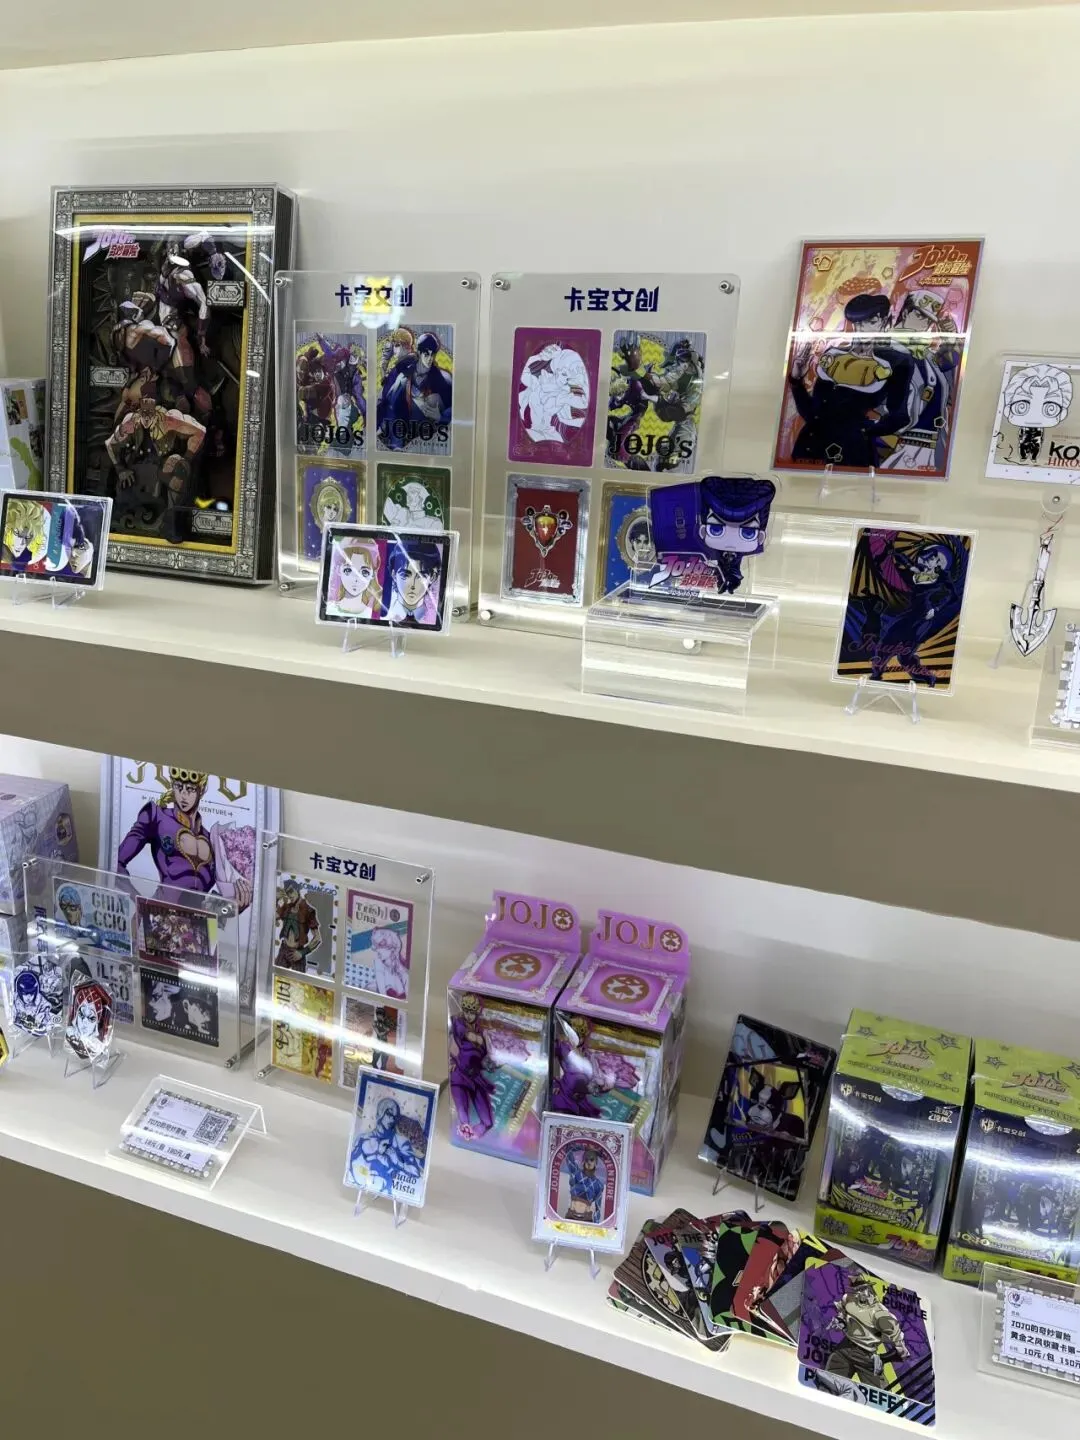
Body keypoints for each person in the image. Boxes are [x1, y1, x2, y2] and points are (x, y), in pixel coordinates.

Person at [117, 767, 253, 909]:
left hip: (198, 921)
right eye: (178, 787)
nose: (183, 795)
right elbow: (116, 863)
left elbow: (212, 907)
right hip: (159, 914)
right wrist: (140, 903)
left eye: (190, 789)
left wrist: (235, 904)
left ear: (201, 790)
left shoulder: (214, 841)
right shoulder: (157, 816)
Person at [824, 1276, 908, 1382]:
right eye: (856, 1289)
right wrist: (840, 1321)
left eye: (863, 1289)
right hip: (844, 1349)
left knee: (875, 1391)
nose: (860, 1293)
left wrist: (882, 1359)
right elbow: (842, 1311)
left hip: (866, 1356)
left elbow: (902, 1351)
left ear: (869, 1289)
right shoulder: (848, 1299)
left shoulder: (880, 1314)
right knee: (828, 1383)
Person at [448, 993, 495, 1138]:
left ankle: (473, 1136)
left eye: (471, 1012)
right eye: (466, 1011)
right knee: (463, 1116)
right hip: (459, 1074)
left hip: (475, 1078)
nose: (468, 1015)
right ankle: (464, 1130)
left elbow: (484, 1056)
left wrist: (488, 1063)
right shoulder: (458, 1022)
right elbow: (466, 1035)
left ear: (478, 1011)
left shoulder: (481, 1030)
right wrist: (479, 1039)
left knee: (487, 1122)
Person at [382, 540, 442, 626]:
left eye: (421, 576)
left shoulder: (436, 618)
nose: (412, 585)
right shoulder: (384, 615)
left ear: (433, 577)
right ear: (394, 574)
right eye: (405, 575)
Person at [326, 537, 383, 619]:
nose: (356, 579)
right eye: (348, 570)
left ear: (372, 574)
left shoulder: (373, 611)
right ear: (339, 571)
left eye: (365, 572)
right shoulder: (329, 606)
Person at [275, 879, 322, 972]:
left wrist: (302, 952)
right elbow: (274, 917)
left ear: (297, 890)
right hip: (284, 949)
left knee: (298, 979)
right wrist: (276, 899)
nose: (289, 895)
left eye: (291, 891)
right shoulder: (286, 907)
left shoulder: (308, 910)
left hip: (297, 952)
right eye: (287, 892)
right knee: (276, 975)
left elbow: (317, 938)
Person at [564, 1145, 605, 1224]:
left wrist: (595, 1226)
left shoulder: (598, 1185)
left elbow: (598, 1209)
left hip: (587, 1220)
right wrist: (584, 1147)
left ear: (596, 1162)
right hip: (571, 1216)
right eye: (586, 1159)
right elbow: (568, 1151)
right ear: (583, 1161)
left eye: (591, 1160)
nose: (588, 1162)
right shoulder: (576, 1173)